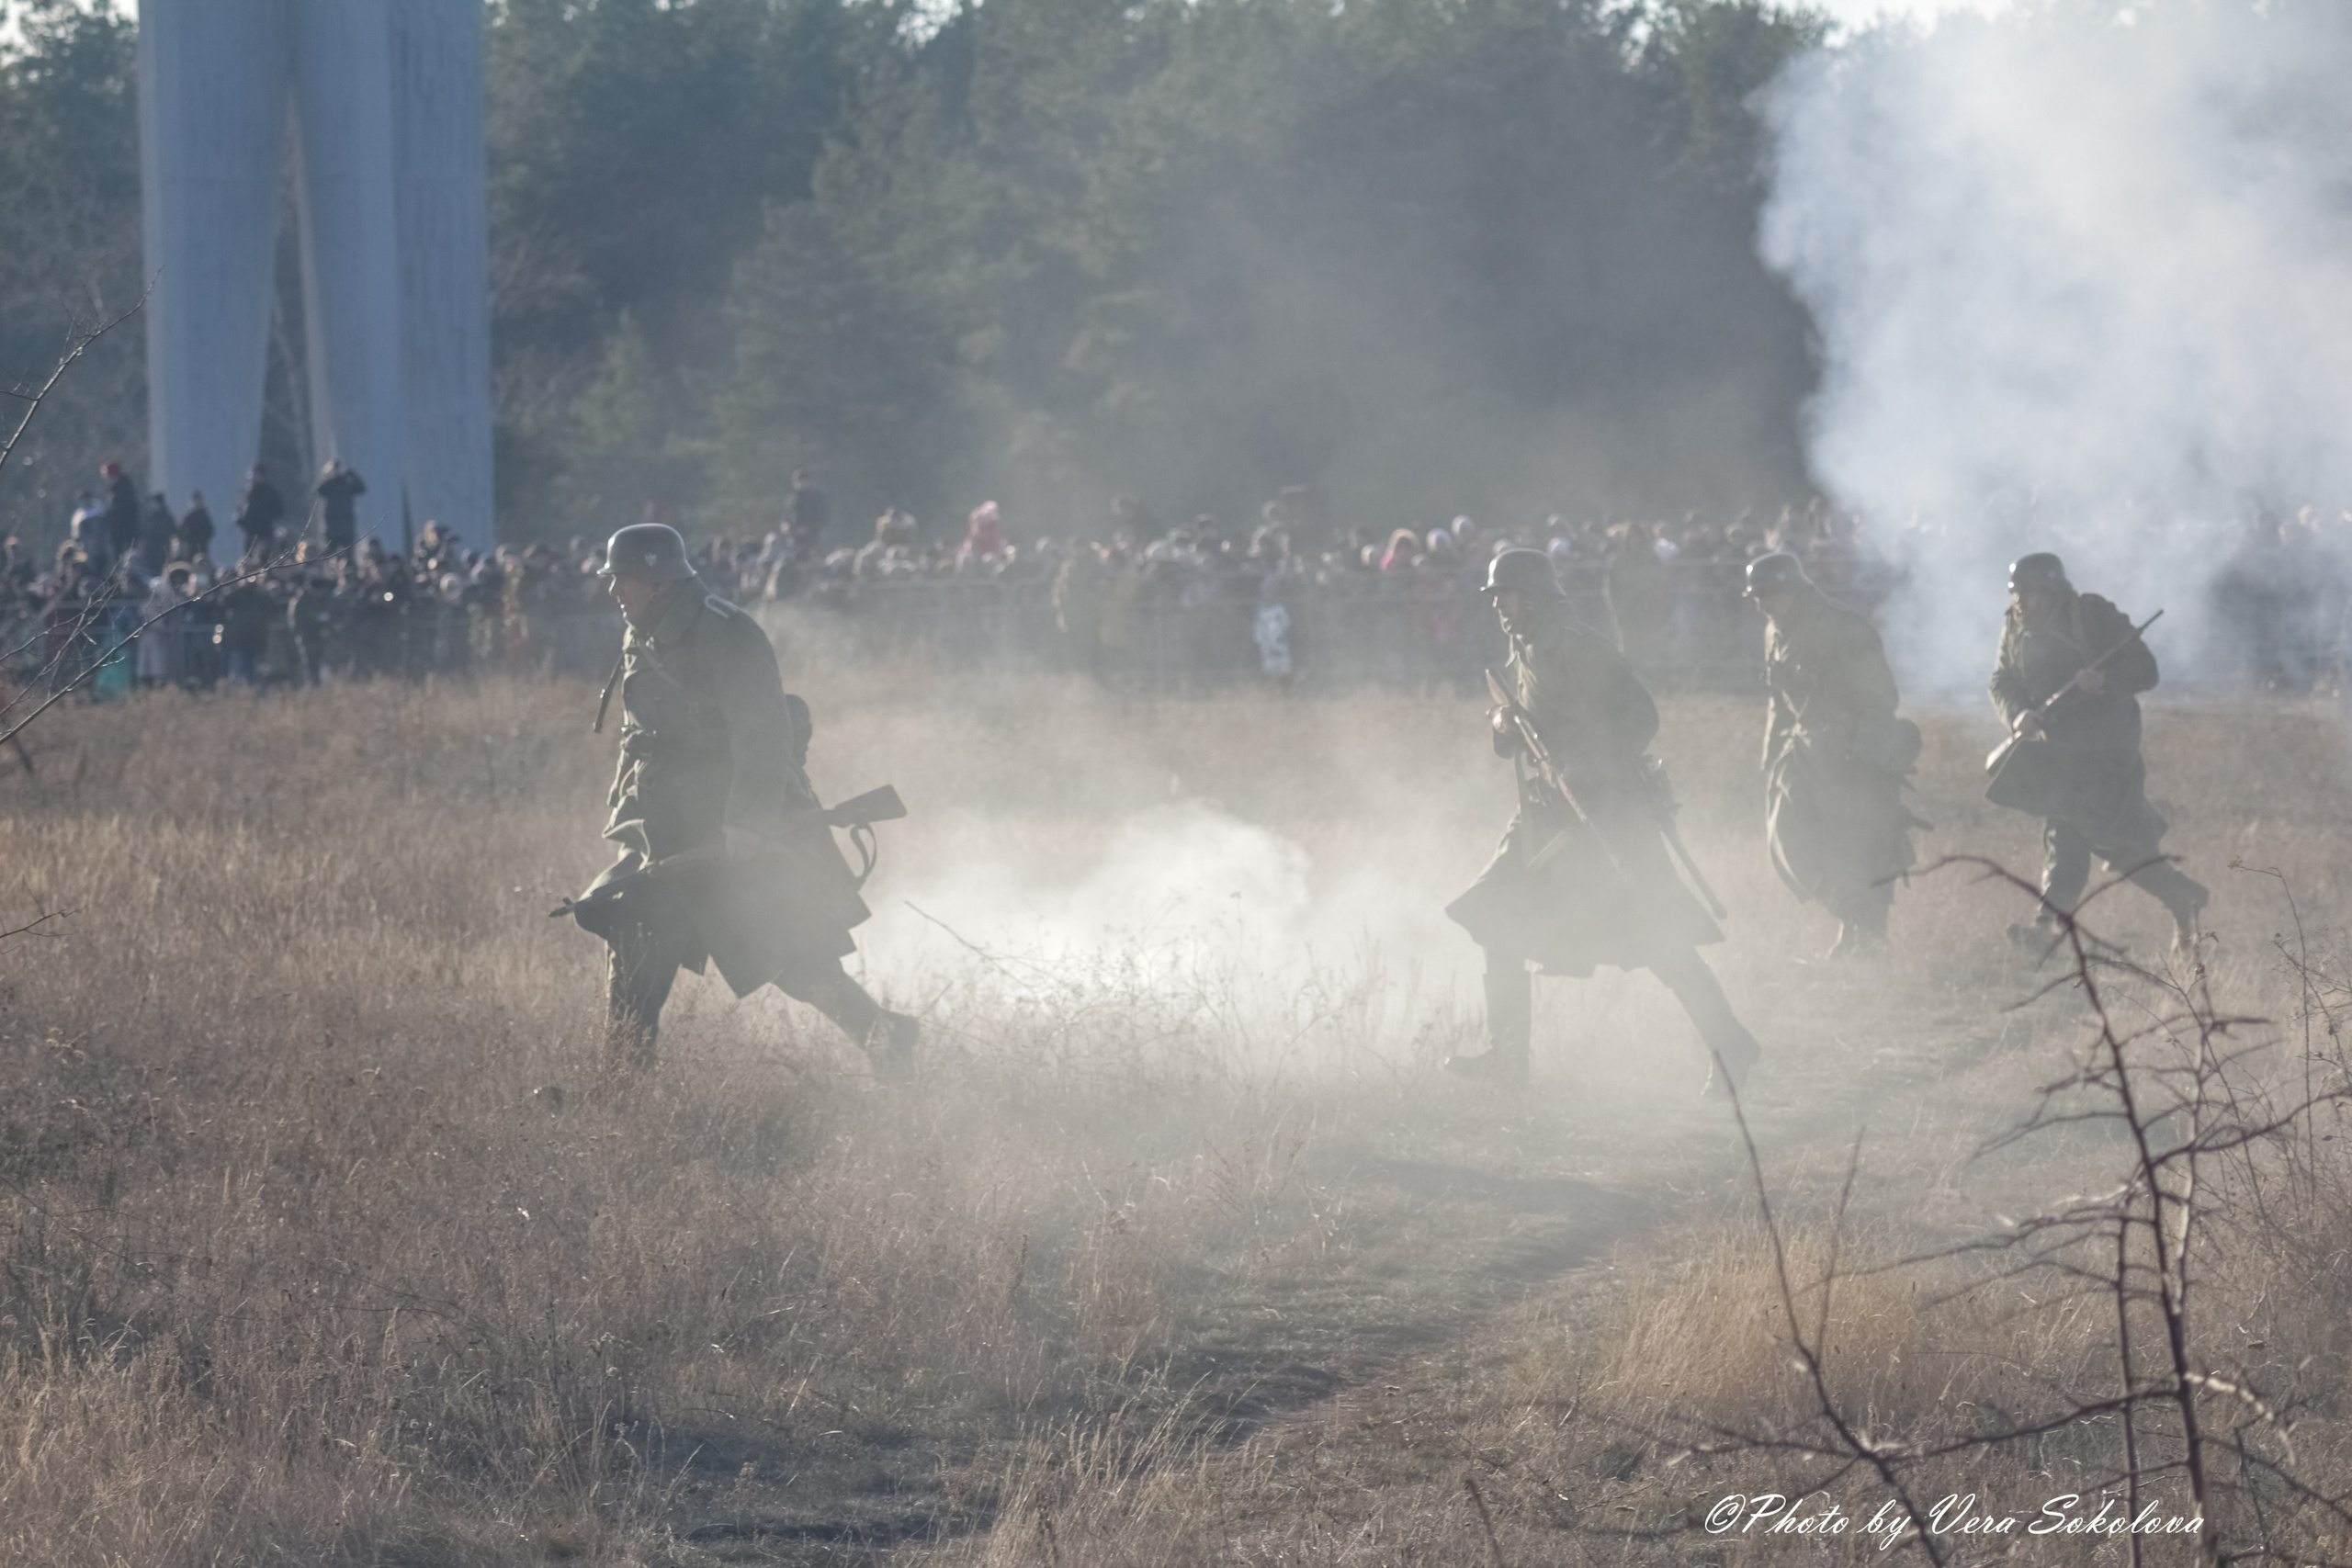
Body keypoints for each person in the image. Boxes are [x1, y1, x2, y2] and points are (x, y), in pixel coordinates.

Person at [566, 521, 918, 1071]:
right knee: (633, 936)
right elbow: (643, 737)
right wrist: (627, 813)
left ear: (657, 581)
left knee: (788, 953)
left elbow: (764, 733)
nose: (613, 590)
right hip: (662, 831)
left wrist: (747, 821)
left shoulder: (726, 632)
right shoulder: (643, 629)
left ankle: (886, 1040)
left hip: (727, 828)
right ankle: (620, 1089)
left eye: (625, 579)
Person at [1442, 547, 1760, 1093]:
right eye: (1494, 598)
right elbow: (1523, 725)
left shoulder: (1579, 645)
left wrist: (1586, 762)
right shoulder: (1526, 647)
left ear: (1534, 594)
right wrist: (1504, 726)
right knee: (1498, 917)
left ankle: (1730, 1043)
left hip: (1606, 819)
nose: (1499, 606)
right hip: (1548, 819)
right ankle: (1507, 1060)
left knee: (1659, 939)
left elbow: (1641, 716)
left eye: (1506, 595)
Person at [1988, 552, 2208, 950]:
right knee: (2095, 837)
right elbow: (2002, 679)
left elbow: (2146, 670)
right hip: (2058, 749)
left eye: (2031, 592)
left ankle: (2047, 928)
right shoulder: (2015, 626)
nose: (2021, 601)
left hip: (2107, 748)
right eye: (2017, 592)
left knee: (2079, 833)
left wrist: (2103, 681)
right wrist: (2018, 714)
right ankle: (2181, 897)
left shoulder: (2092, 615)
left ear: (2052, 590)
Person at [1747, 552, 1924, 955]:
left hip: (1854, 756)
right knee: (1792, 841)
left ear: (1794, 591)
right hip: (1804, 756)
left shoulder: (1844, 628)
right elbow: (1780, 701)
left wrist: (1865, 761)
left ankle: (1864, 941)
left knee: (1860, 848)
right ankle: (1856, 928)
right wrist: (1771, 757)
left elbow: (1881, 699)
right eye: (1755, 596)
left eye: (1769, 594)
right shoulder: (1774, 632)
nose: (1760, 604)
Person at [316, 460, 367, 552]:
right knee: (331, 553)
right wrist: (328, 477)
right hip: (332, 526)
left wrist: (351, 474)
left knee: (349, 554)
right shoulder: (329, 485)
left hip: (347, 526)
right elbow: (318, 491)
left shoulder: (347, 484)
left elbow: (362, 489)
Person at [235, 464, 286, 554]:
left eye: (255, 475)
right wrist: (241, 520)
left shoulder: (270, 493)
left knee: (264, 557)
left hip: (265, 533)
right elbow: (240, 511)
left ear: (262, 476)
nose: (252, 478)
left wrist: (265, 517)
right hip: (250, 534)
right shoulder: (247, 494)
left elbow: (279, 512)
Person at [100, 460, 141, 562]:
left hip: (125, 535)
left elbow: (126, 514)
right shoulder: (114, 490)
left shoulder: (124, 491)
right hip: (117, 534)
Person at [786, 468, 831, 556]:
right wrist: (786, 526)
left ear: (808, 481)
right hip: (795, 538)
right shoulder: (791, 499)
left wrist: (808, 528)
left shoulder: (816, 497)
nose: (800, 484)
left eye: (803, 481)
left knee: (814, 557)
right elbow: (786, 517)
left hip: (813, 536)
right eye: (798, 481)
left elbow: (822, 516)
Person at [177, 491, 216, 562]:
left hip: (202, 547)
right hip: (191, 548)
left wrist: (203, 538)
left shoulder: (205, 516)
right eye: (195, 501)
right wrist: (188, 538)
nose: (197, 503)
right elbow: (180, 530)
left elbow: (211, 531)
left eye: (198, 501)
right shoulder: (188, 516)